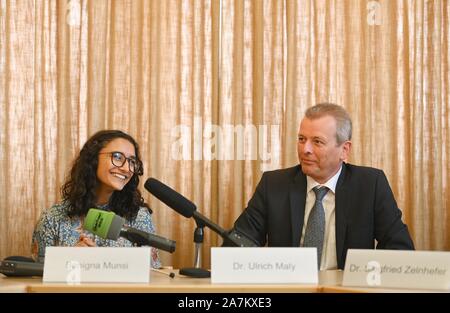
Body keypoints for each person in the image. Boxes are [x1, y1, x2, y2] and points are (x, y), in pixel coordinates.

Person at [229, 103, 414, 270]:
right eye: (302, 139)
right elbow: (239, 243)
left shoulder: (370, 185)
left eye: (317, 141)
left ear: (344, 150)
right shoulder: (274, 184)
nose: (305, 149)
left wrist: (365, 275)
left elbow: (399, 248)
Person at [31, 130, 161, 268]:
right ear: (92, 159)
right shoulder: (52, 219)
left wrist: (101, 263)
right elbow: (39, 281)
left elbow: (153, 276)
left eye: (132, 161)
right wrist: (68, 260)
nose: (126, 168)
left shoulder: (139, 217)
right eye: (117, 157)